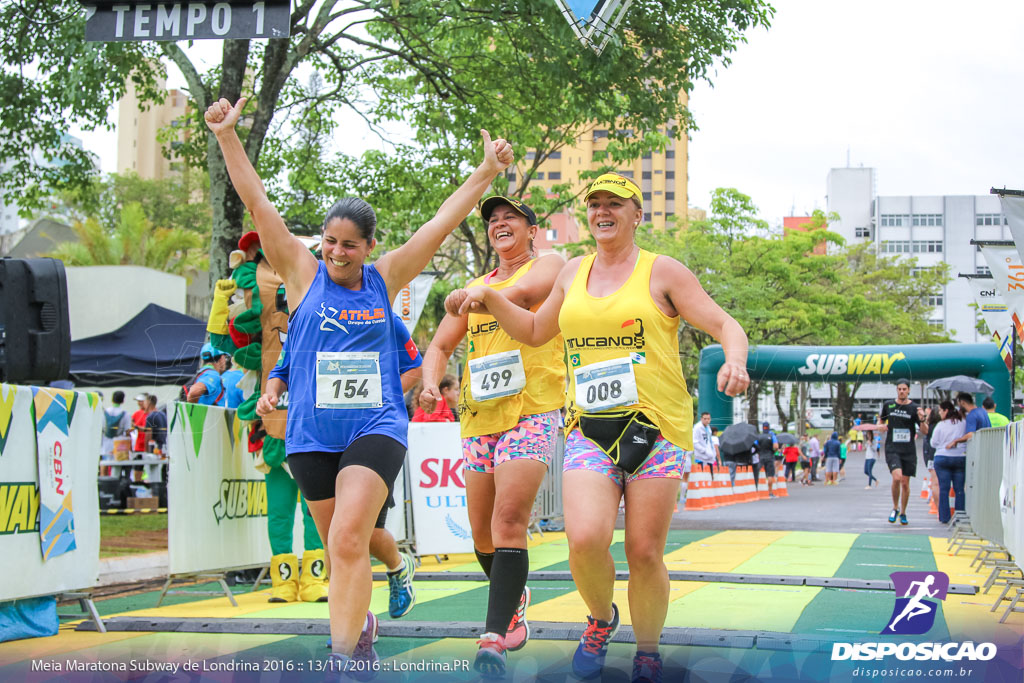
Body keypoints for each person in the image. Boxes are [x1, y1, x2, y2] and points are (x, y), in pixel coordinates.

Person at [206, 93, 513, 675]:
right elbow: (257, 202)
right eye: (331, 241)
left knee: (349, 538)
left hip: (375, 427)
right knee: (341, 546)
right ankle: (363, 623)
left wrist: (486, 172)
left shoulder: (384, 277)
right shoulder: (301, 272)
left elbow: (440, 224)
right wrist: (227, 135)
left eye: (350, 244)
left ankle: (342, 658)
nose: (338, 252)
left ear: (369, 247)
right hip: (311, 434)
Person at [453, 173, 749, 682]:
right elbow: (531, 329)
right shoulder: (571, 272)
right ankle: (601, 618)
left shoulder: (664, 272)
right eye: (596, 205)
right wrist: (489, 298)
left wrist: (736, 362)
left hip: (655, 428)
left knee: (643, 550)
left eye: (616, 203)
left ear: (637, 214)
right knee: (585, 538)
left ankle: (649, 651)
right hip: (590, 427)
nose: (603, 212)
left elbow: (724, 324)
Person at [419, 195, 565, 677]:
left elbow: (522, 298)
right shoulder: (476, 287)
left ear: (531, 230)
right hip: (480, 416)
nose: (500, 225)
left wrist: (479, 297)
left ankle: (493, 637)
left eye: (511, 218)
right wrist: (426, 382)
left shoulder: (551, 266)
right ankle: (515, 595)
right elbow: (440, 345)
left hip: (533, 408)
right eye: (493, 221)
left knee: (508, 522)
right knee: (482, 534)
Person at [262, 314, 424, 618]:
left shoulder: (382, 316)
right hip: (316, 438)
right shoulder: (306, 319)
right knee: (336, 541)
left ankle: (398, 567)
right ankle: (354, 624)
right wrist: (270, 394)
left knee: (366, 534)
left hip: (369, 436)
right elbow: (282, 369)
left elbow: (415, 366)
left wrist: (384, 394)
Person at [876, 379, 926, 525]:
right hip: (892, 448)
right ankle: (895, 507)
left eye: (904, 389)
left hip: (908, 450)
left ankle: (903, 512)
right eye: (899, 389)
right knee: (897, 478)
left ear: (909, 390)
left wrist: (923, 418)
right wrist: (880, 427)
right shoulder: (889, 405)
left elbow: (925, 431)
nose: (902, 391)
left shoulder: (915, 408)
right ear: (897, 390)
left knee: (905, 483)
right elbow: (881, 422)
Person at [929, 400, 967, 524]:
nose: (939, 413)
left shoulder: (941, 425)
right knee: (959, 489)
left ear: (946, 410)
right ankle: (960, 517)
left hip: (942, 457)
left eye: (940, 410)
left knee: (944, 489)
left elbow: (933, 443)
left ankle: (944, 517)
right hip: (959, 457)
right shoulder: (963, 423)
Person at [101, 390, 132, 457]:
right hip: (119, 443)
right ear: (123, 401)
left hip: (105, 442)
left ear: (112, 399)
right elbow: (127, 432)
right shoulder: (125, 414)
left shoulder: (105, 412)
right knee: (117, 464)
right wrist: (130, 448)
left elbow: (101, 428)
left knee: (104, 463)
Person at [753, 422, 778, 498]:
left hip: (761, 457)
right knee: (770, 475)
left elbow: (755, 446)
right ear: (769, 427)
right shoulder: (772, 436)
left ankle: (756, 490)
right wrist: (773, 451)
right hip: (770, 456)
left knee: (757, 473)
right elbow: (776, 446)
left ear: (762, 428)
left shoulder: (758, 436)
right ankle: (770, 492)